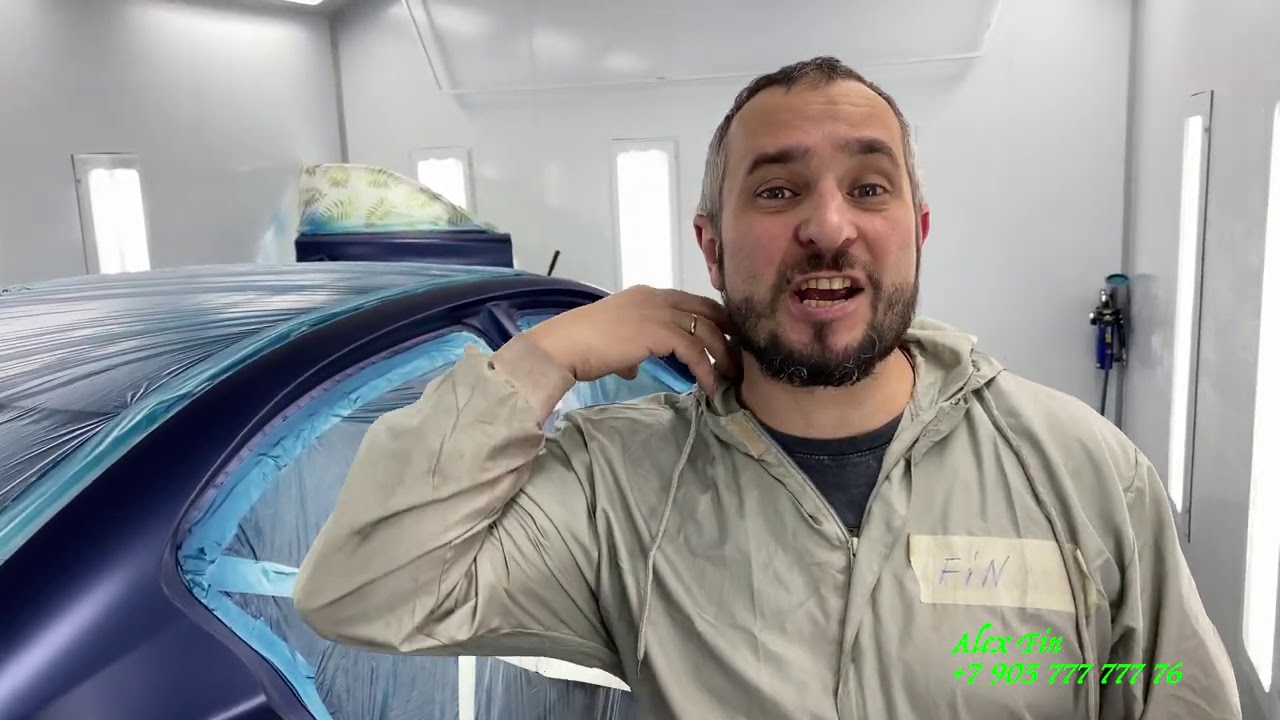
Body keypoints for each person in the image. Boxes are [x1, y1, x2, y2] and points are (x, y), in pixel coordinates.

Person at [293, 56, 1242, 719]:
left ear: (916, 230)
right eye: (778, 192)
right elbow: (363, 590)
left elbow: (1175, 696)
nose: (828, 227)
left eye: (868, 188)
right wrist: (539, 359)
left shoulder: (1081, 472)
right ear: (709, 246)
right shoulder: (616, 488)